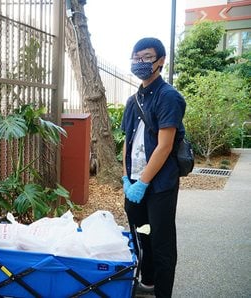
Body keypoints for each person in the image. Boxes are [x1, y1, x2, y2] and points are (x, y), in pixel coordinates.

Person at [121, 37, 186, 298]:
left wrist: (143, 183)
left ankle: (163, 292)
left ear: (160, 61)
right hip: (134, 182)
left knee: (161, 242)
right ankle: (147, 280)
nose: (140, 62)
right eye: (136, 57)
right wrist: (127, 178)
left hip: (159, 186)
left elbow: (165, 146)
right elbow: (126, 141)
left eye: (146, 57)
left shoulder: (169, 96)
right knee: (142, 234)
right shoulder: (132, 100)